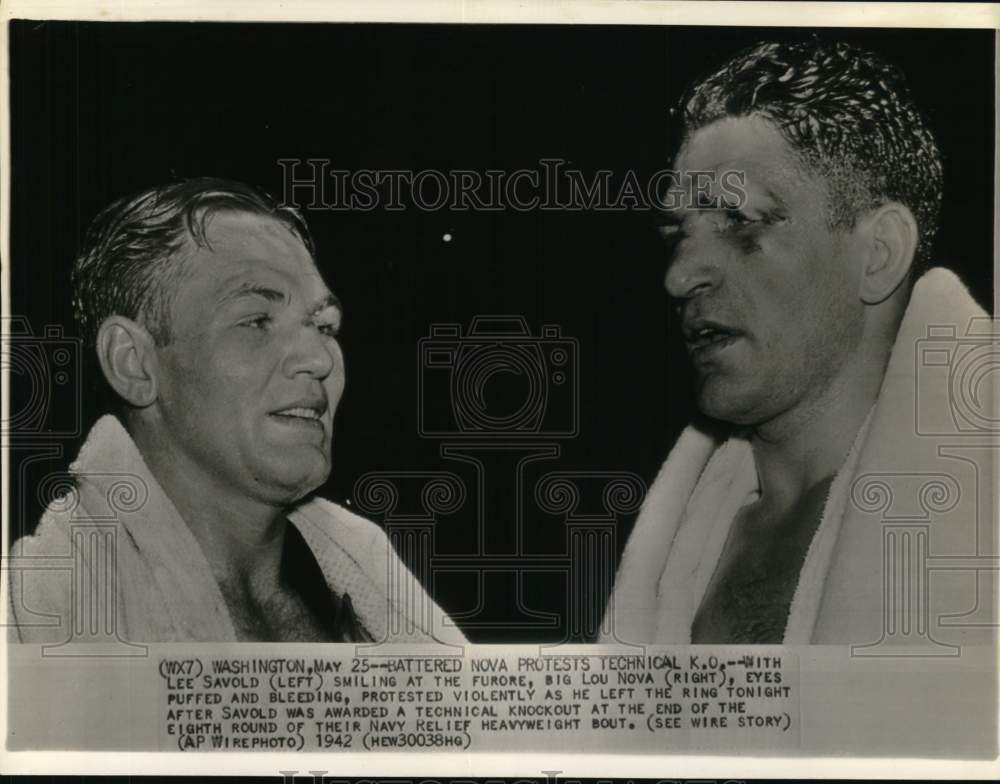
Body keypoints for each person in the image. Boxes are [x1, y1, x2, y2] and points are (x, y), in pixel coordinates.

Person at [601, 40, 994, 646]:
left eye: (739, 222)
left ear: (879, 254)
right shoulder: (683, 547)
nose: (678, 276)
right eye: (676, 232)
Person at [8, 178, 463, 644]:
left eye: (325, 326)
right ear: (134, 364)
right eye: (257, 321)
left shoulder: (372, 580)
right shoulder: (33, 614)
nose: (321, 359)